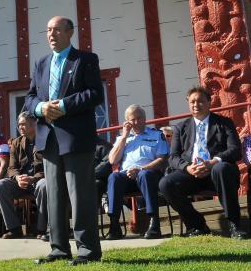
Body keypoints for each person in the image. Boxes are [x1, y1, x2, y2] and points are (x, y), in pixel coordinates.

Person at [23, 15, 104, 265]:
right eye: (48, 30)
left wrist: (64, 106)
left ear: (70, 33)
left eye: (57, 30)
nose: (51, 34)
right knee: (54, 195)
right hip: (49, 138)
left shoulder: (86, 60)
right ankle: (58, 248)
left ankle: (87, 250)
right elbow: (30, 97)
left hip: (76, 137)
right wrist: (40, 109)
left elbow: (94, 94)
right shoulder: (41, 63)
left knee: (80, 196)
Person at [159, 86, 246, 239]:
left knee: (222, 168)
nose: (196, 104)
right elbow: (172, 157)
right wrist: (188, 168)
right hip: (192, 174)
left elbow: (235, 150)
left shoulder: (224, 123)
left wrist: (213, 162)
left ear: (209, 102)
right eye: (192, 101)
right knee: (165, 183)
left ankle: (234, 224)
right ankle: (197, 225)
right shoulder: (181, 127)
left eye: (200, 101)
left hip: (217, 173)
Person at [105, 104, 168, 240]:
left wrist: (141, 169)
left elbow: (162, 159)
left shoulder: (156, 135)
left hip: (149, 174)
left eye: (140, 118)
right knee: (114, 177)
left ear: (145, 119)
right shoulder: (122, 138)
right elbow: (112, 160)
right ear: (127, 121)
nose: (137, 122)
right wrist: (124, 137)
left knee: (144, 175)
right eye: (133, 119)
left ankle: (154, 223)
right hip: (127, 176)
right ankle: (114, 225)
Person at [0, 111, 47, 239]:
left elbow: (50, 166)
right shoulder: (16, 143)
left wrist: (33, 178)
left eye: (24, 124)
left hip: (39, 180)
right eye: (19, 125)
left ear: (34, 124)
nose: (20, 127)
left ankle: (42, 229)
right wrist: (17, 178)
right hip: (21, 182)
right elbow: (11, 167)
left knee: (43, 185)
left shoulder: (45, 140)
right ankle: (14, 229)